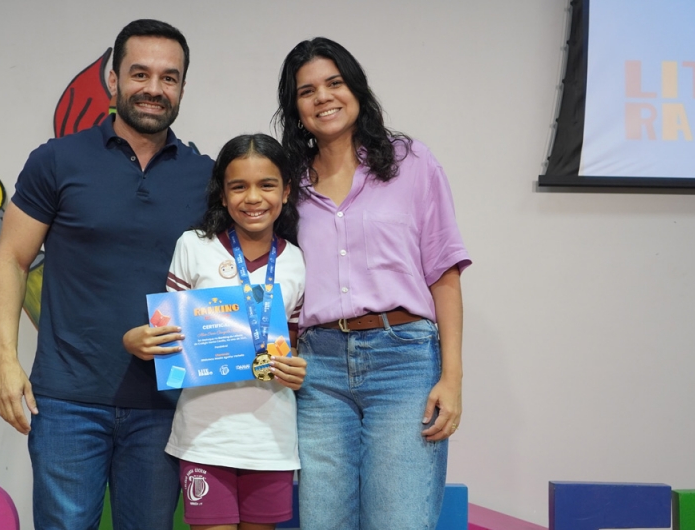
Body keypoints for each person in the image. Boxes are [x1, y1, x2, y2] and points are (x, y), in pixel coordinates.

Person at [0, 19, 213, 530]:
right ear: (114, 80)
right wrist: (5, 361)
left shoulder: (206, 176)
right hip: (67, 401)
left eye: (169, 77)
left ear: (182, 87)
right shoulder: (57, 160)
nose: (154, 88)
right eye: (140, 73)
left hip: (165, 403)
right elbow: (12, 259)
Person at [274, 37, 471, 530]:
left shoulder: (411, 162)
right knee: (322, 522)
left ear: (356, 90)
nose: (323, 97)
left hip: (403, 362)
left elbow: (444, 272)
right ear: (295, 108)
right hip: (318, 369)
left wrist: (452, 377)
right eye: (307, 91)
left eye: (334, 83)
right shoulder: (288, 184)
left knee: (398, 520)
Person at [161, 134, 307, 530]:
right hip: (205, 436)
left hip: (270, 439)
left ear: (286, 191)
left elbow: (293, 345)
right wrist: (146, 340)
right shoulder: (194, 246)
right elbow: (172, 337)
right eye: (238, 186)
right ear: (222, 195)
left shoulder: (296, 260)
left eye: (267, 185)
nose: (253, 197)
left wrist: (295, 369)